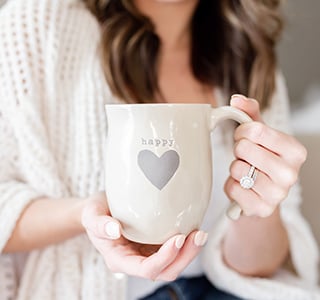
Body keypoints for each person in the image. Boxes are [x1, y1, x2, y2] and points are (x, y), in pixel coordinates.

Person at [0, 0, 319, 299]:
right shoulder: (36, 23)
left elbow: (256, 266)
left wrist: (258, 202)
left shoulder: (247, 51)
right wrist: (82, 214)